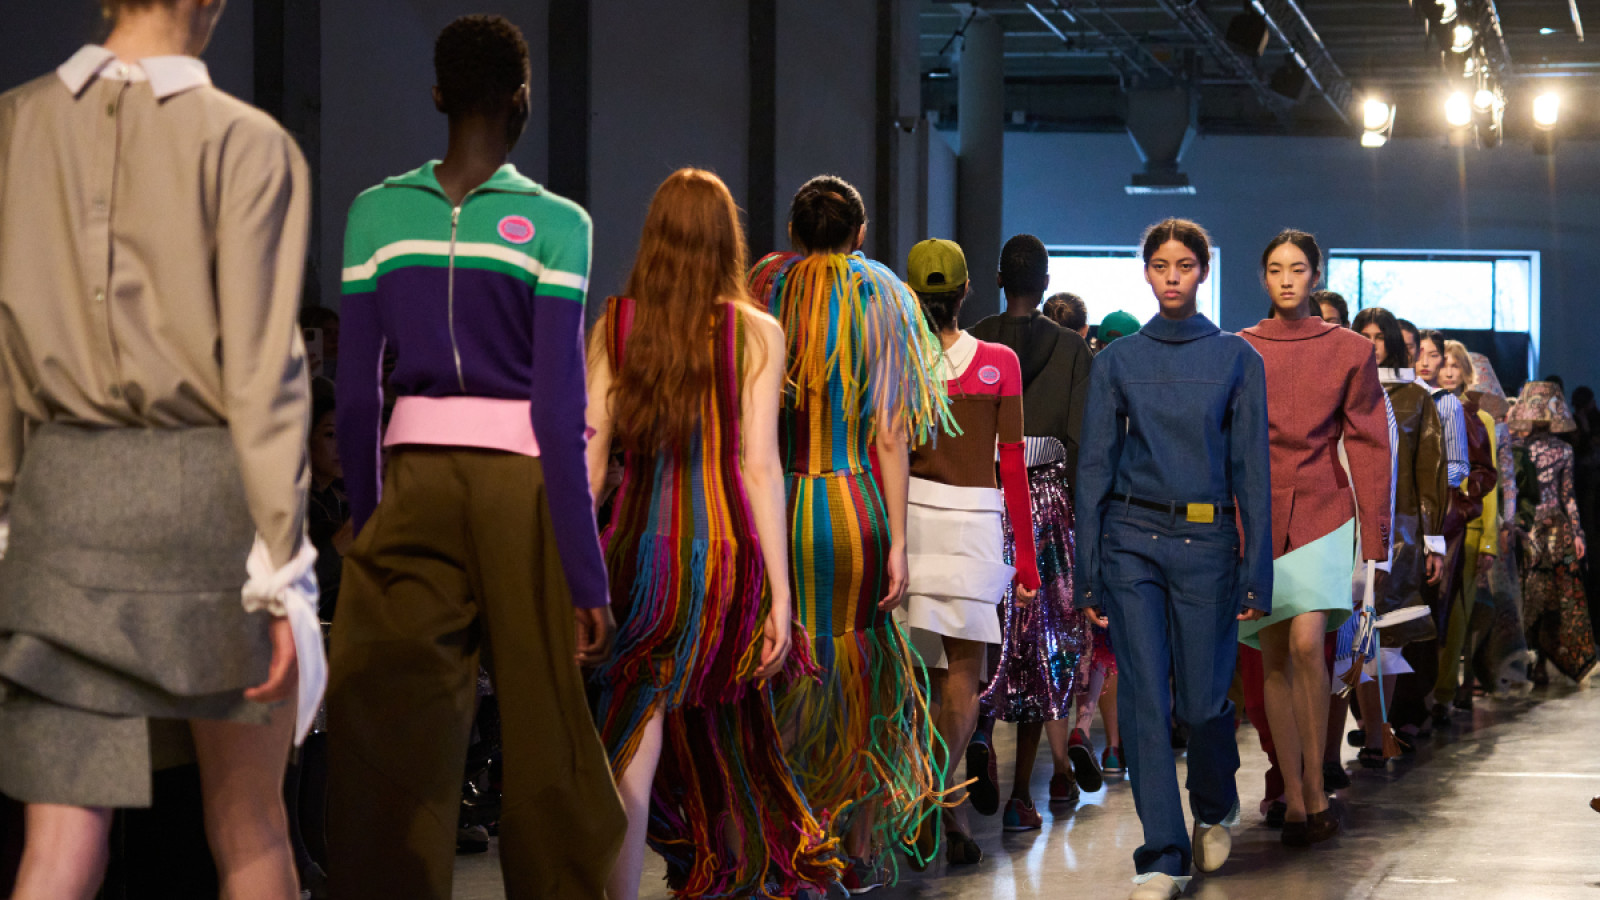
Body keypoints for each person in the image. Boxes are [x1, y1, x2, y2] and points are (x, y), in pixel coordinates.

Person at [0, 1, 320, 897]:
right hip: (207, 500)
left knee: (57, 850)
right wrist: (281, 567)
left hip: (59, 500)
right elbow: (263, 375)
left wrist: (7, 513)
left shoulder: (14, 127)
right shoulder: (248, 142)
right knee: (250, 829)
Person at [325, 16, 624, 899]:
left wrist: (373, 522)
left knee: (391, 731)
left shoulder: (374, 213)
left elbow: (356, 394)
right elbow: (561, 411)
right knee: (547, 725)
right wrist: (586, 575)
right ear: (521, 100)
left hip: (410, 483)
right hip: (522, 491)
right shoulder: (560, 225)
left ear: (437, 96)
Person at [585, 169, 835, 899]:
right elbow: (759, 467)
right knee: (732, 741)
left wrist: (574, 571)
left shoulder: (617, 325)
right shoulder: (757, 332)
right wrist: (781, 597)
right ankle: (728, 876)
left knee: (633, 737)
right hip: (726, 562)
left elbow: (588, 460)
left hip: (634, 556)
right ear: (729, 240)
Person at [750, 175, 954, 888]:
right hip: (854, 505)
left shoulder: (767, 290)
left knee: (783, 665)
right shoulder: (883, 297)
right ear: (860, 234)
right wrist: (898, 539)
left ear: (794, 231)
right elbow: (893, 433)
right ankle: (858, 849)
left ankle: (788, 837)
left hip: (779, 506)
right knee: (866, 674)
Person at [1076, 219, 1272, 900]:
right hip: (1131, 539)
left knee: (1203, 700)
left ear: (1203, 271)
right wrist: (1088, 572)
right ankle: (1162, 853)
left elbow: (1252, 473)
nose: (1171, 277)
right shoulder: (1117, 360)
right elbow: (1094, 469)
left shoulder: (1237, 358)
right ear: (1146, 273)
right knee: (1143, 697)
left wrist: (1257, 573)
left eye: (1184, 265)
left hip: (1207, 544)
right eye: (1160, 265)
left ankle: (1214, 804)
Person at [1238, 231, 1390, 846]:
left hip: (1326, 508)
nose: (1287, 279)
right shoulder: (1241, 347)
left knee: (1306, 643)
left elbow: (1370, 442)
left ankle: (1316, 784)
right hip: (1259, 513)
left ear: (1316, 275)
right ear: (1263, 277)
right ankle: (1296, 795)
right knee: (1274, 653)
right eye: (1276, 269)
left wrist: (1375, 539)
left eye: (1298, 269)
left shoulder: (1350, 349)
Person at [896, 238, 1040, 860]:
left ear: (910, 294)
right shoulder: (1000, 361)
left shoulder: (895, 362)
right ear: (965, 292)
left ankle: (931, 805)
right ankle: (935, 799)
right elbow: (1012, 465)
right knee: (963, 673)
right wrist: (1027, 560)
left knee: (917, 675)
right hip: (974, 525)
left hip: (907, 522)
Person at [969, 236, 1095, 824]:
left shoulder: (975, 341)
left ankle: (978, 731)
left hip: (983, 499)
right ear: (1045, 283)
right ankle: (1023, 796)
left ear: (999, 279)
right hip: (1045, 503)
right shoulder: (1071, 349)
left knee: (984, 635)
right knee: (1042, 646)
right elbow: (1080, 441)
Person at [1349, 308, 1447, 765]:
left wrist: (1433, 542)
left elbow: (1431, 471)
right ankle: (1367, 728)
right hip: (1346, 527)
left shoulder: (1416, 397)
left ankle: (1377, 733)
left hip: (1400, 534)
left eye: (1379, 336)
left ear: (1390, 340)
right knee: (1350, 637)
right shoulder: (1346, 389)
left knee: (1387, 636)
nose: (1372, 344)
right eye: (1363, 335)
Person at [1389, 329, 1472, 741]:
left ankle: (1418, 705)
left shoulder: (1442, 402)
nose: (1423, 361)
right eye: (1415, 352)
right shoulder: (1385, 395)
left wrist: (1427, 478)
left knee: (1422, 612)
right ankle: (1377, 715)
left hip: (1432, 519)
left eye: (1432, 354)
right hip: (1388, 517)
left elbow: (1458, 466)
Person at [1508, 382, 1598, 685]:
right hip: (1527, 529)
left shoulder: (1563, 450)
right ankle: (1532, 658)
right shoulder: (1517, 448)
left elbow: (1568, 495)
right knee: (1531, 594)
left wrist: (1578, 533)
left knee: (1555, 594)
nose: (1540, 415)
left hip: (1554, 531)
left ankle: (1542, 660)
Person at [1435, 341, 1500, 709]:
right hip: (1430, 526)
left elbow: (1489, 486)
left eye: (1455, 365)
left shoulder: (1481, 419)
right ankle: (1423, 696)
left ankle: (1443, 695)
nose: (1448, 371)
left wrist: (1489, 541)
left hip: (1468, 529)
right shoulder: (1425, 409)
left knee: (1457, 615)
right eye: (1442, 363)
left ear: (1465, 372)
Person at [1465, 354, 1532, 693]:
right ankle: (1463, 678)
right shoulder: (1449, 415)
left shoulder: (1499, 428)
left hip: (1490, 520)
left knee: (1493, 601)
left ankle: (1483, 673)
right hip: (1460, 515)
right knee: (1466, 603)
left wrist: (1506, 523)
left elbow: (1508, 479)